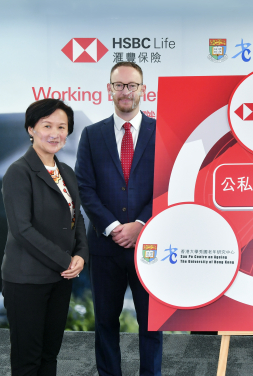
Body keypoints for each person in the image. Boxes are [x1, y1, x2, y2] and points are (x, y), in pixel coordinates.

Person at [75, 62, 163, 376]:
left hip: (149, 245)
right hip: (105, 246)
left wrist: (139, 225)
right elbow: (84, 186)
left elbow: (168, 186)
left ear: (143, 89)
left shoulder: (161, 132)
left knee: (151, 324)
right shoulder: (91, 134)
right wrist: (113, 227)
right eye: (119, 85)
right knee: (106, 323)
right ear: (109, 89)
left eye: (132, 85)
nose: (125, 91)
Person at [1, 98, 88, 375]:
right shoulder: (19, 171)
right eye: (47, 125)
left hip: (60, 279)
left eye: (62, 127)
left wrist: (81, 255)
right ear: (31, 129)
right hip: (26, 280)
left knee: (50, 355)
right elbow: (22, 229)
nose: (55, 133)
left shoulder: (67, 172)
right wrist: (65, 260)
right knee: (28, 359)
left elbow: (77, 220)